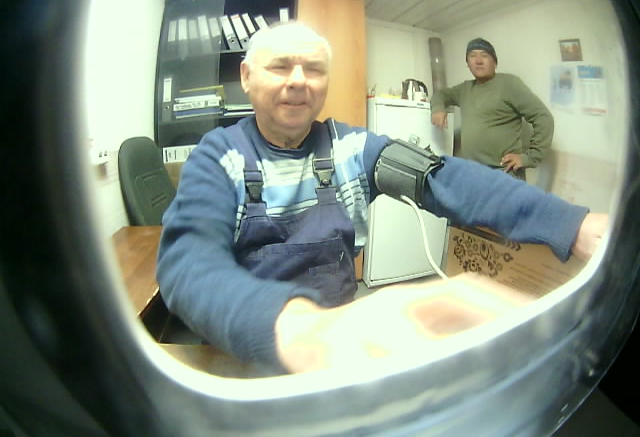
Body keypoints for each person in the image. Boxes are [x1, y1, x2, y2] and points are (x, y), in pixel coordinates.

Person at [157, 22, 606, 375]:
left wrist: (572, 224)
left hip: (346, 354)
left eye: (314, 69)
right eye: (280, 67)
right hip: (247, 353)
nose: (299, 81)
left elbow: (444, 178)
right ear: (246, 76)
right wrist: (304, 332)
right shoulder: (219, 157)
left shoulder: (352, 148)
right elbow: (186, 263)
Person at [430, 38, 554, 180]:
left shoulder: (509, 84)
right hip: (474, 173)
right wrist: (438, 108)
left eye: (484, 55)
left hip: (504, 174)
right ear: (468, 64)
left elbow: (543, 118)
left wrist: (530, 158)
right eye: (472, 55)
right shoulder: (465, 89)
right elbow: (441, 94)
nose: (478, 61)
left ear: (494, 62)